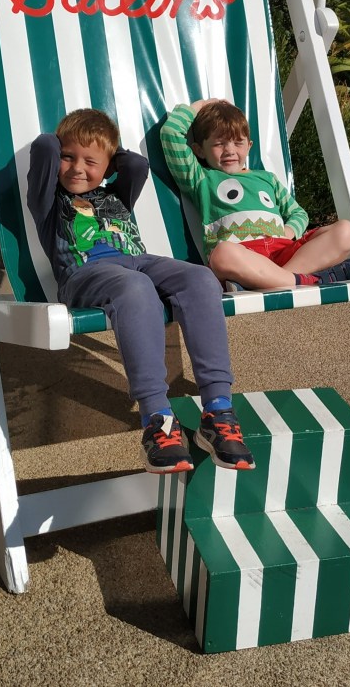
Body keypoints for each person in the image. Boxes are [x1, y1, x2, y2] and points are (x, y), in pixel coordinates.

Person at [27, 108, 255, 474]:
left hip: (138, 259)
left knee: (199, 278)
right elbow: (43, 147)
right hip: (86, 274)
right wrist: (65, 142)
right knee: (136, 287)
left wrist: (110, 154)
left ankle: (218, 410)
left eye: (91, 161)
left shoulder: (116, 193)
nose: (76, 168)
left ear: (107, 166)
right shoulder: (48, 200)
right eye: (68, 157)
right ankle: (157, 420)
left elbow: (136, 165)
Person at [160, 99, 350, 290]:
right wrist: (204, 104)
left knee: (346, 231)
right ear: (199, 150)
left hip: (284, 253)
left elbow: (299, 214)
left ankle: (275, 279)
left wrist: (287, 232)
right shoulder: (201, 178)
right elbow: (171, 133)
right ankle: (309, 280)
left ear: (249, 146)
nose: (230, 150)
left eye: (238, 142)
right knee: (222, 254)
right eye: (218, 143)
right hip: (244, 256)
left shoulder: (267, 179)